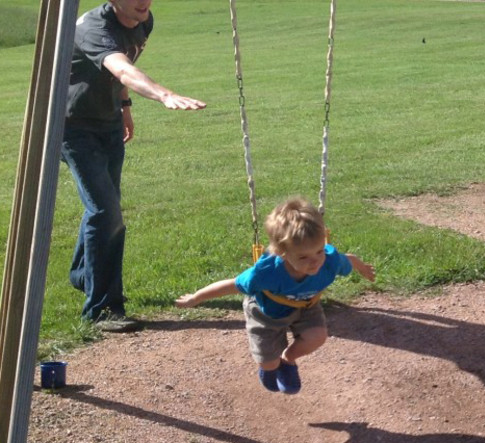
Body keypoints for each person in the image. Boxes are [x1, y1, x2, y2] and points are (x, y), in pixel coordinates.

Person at [62, 0, 206, 333]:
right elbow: (122, 68)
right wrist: (163, 94)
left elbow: (122, 66)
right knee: (105, 211)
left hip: (108, 121)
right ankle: (101, 311)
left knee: (104, 207)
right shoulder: (94, 28)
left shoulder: (142, 21)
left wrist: (124, 105)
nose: (143, 1)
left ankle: (85, 276)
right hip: (73, 126)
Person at [175, 197, 376, 394]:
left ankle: (288, 360)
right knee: (268, 363)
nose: (315, 262)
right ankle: (271, 367)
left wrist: (362, 268)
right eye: (303, 257)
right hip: (266, 312)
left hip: (306, 306)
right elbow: (232, 285)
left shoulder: (328, 261)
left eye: (319, 251)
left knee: (317, 337)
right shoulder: (266, 273)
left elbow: (347, 259)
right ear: (282, 253)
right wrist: (196, 297)